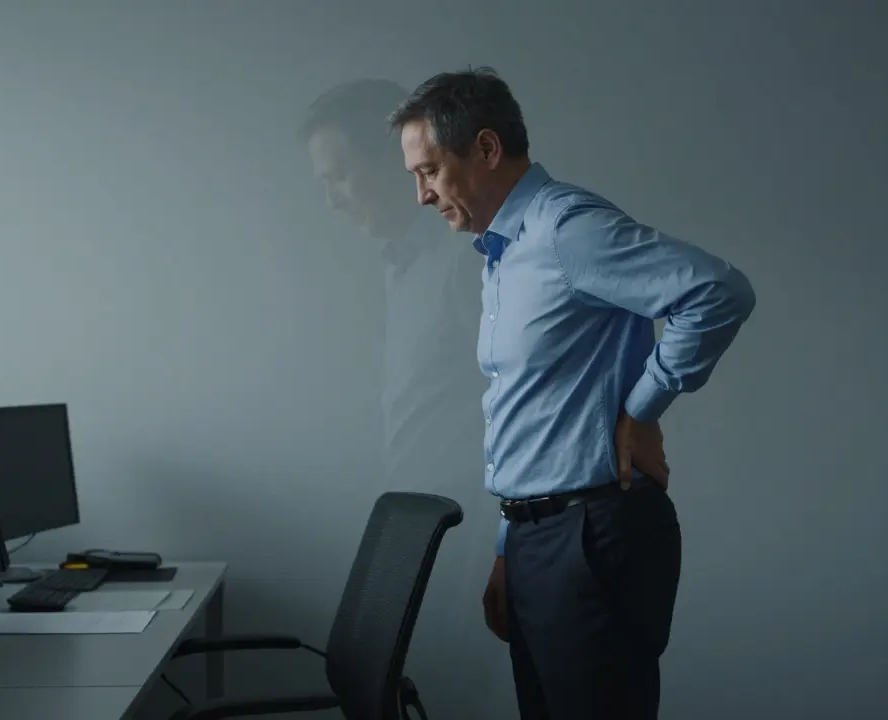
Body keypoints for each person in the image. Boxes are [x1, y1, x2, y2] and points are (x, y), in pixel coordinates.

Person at [387, 67, 757, 719]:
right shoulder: (503, 254)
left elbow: (718, 292)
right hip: (540, 537)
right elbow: (529, 414)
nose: (421, 195)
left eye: (430, 171)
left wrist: (642, 409)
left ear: (486, 148)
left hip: (594, 532)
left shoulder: (566, 231)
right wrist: (508, 548)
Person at [300, 80, 501, 717]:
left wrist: (495, 554)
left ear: (397, 163)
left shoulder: (466, 260)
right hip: (420, 543)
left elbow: (517, 409)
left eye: (340, 177)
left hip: (467, 547)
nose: (332, 200)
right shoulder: (400, 265)